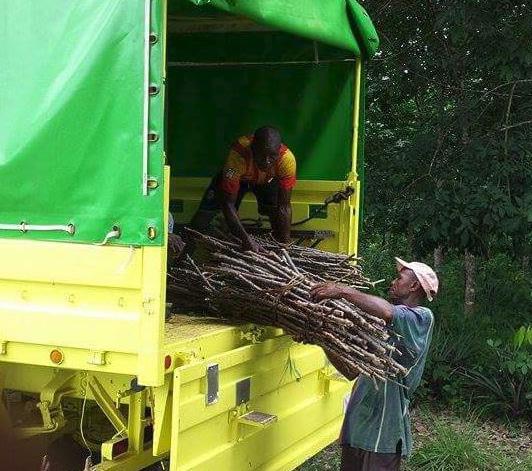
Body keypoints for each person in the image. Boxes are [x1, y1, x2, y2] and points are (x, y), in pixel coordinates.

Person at [310, 258, 439, 471]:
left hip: (384, 431)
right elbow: (350, 371)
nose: (393, 281)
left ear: (414, 286)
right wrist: (320, 339)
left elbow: (389, 312)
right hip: (357, 425)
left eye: (399, 278)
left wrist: (341, 290)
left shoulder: (422, 318)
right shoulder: (381, 327)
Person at [190, 126, 297, 252]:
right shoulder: (237, 155)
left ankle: (279, 248)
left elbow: (284, 207)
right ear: (253, 148)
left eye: (272, 156)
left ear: (278, 151)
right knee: (203, 218)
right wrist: (246, 240)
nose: (266, 161)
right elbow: (228, 204)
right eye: (261, 155)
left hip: (267, 180)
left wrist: (286, 244)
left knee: (276, 214)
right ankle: (183, 256)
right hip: (238, 179)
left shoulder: (287, 159)